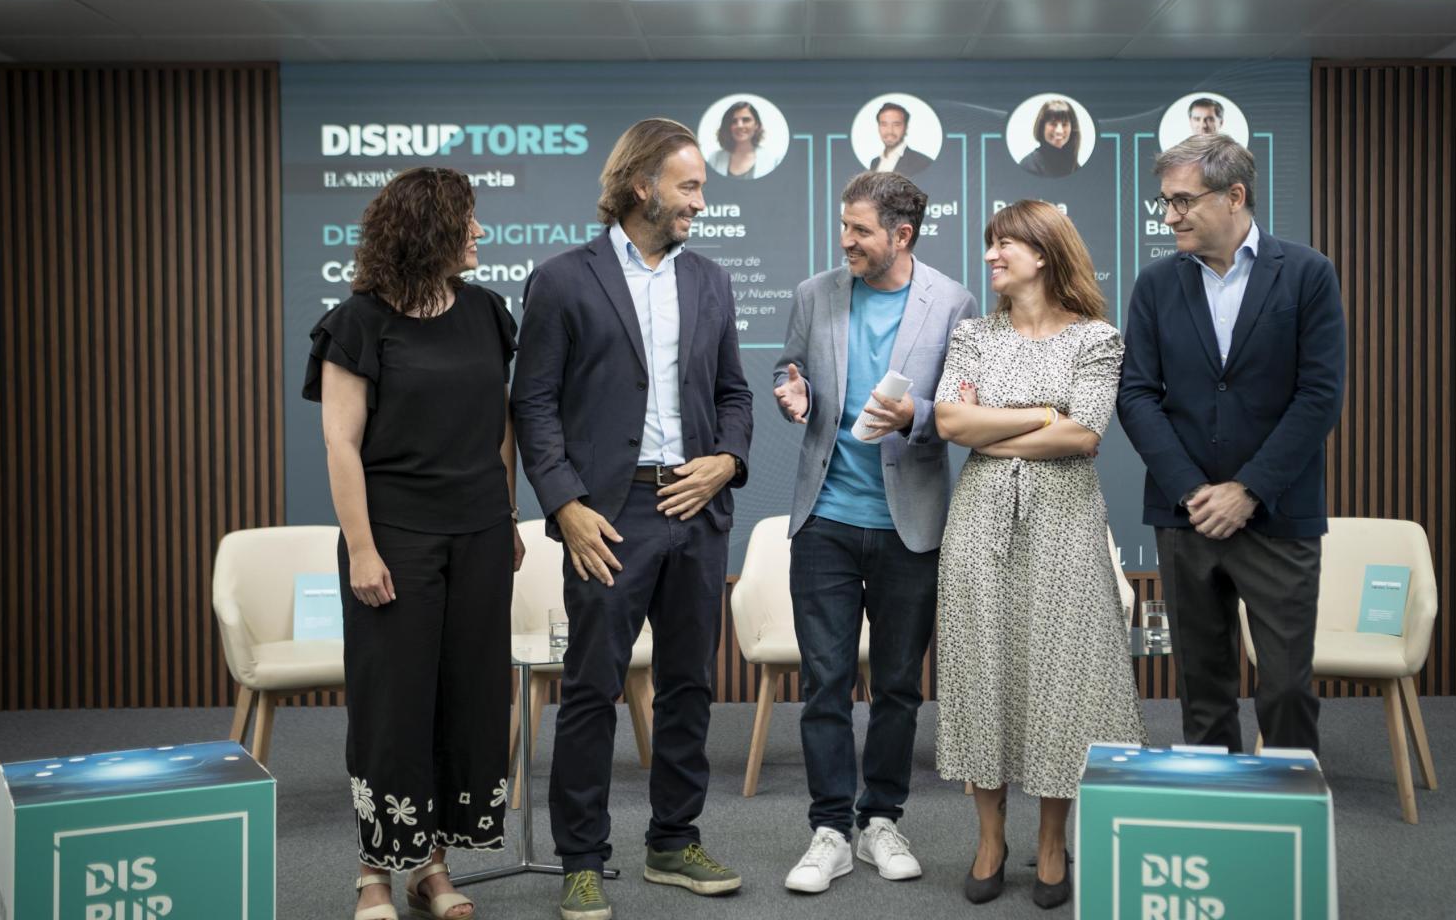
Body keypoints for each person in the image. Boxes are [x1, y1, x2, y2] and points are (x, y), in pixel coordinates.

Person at [511, 118, 753, 920]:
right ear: (643, 185)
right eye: (689, 186)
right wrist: (565, 505)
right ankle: (581, 859)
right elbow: (533, 404)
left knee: (689, 686)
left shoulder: (710, 280)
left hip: (697, 504)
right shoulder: (561, 279)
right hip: (609, 515)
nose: (700, 202)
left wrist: (727, 461)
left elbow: (734, 394)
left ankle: (673, 841)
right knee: (592, 689)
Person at [304, 167, 521, 920]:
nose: (479, 232)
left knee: (467, 701)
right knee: (393, 706)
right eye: (468, 220)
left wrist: (508, 515)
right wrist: (362, 549)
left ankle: (432, 869)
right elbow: (340, 444)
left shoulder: (488, 312)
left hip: (481, 534)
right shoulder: (357, 323)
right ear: (429, 229)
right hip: (394, 538)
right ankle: (374, 873)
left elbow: (500, 425)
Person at [933, 199, 1147, 911]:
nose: (990, 256)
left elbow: (1084, 436)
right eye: (990, 244)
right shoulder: (972, 335)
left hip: (1065, 525)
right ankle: (990, 839)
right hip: (979, 526)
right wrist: (1043, 414)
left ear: (1045, 254)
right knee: (981, 673)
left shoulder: (1096, 339)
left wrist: (993, 428)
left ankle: (1053, 842)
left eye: (1005, 245)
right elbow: (949, 421)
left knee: (1063, 682)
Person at [772, 171, 979, 894]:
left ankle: (881, 819)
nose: (846, 241)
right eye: (845, 226)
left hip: (909, 524)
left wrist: (917, 416)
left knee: (896, 687)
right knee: (824, 684)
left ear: (902, 235)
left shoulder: (953, 303)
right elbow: (789, 367)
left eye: (860, 230)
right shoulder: (815, 293)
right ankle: (830, 829)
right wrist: (791, 388)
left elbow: (962, 411)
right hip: (825, 519)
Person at [1117, 133, 1346, 757]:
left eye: (1183, 201)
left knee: (1287, 688)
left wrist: (1248, 490)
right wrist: (1193, 490)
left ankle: (1289, 807)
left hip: (1277, 513)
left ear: (1235, 196)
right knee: (1203, 688)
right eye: (1165, 202)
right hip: (1187, 517)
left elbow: (1319, 395)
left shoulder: (1307, 273)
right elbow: (1136, 394)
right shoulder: (1155, 284)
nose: (1170, 216)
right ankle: (1212, 805)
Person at [706, 100, 781, 180]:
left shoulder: (772, 160)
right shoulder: (714, 159)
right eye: (734, 121)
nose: (740, 125)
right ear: (728, 126)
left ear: (756, 125)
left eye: (746, 120)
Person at [1018, 99, 1082, 178]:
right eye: (1053, 124)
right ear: (1042, 127)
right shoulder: (1028, 165)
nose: (1059, 131)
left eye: (1064, 124)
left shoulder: (1074, 165)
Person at [867, 101, 933, 176]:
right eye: (884, 124)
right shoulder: (874, 162)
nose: (890, 131)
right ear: (878, 127)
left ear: (906, 128)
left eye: (896, 125)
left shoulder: (922, 163)